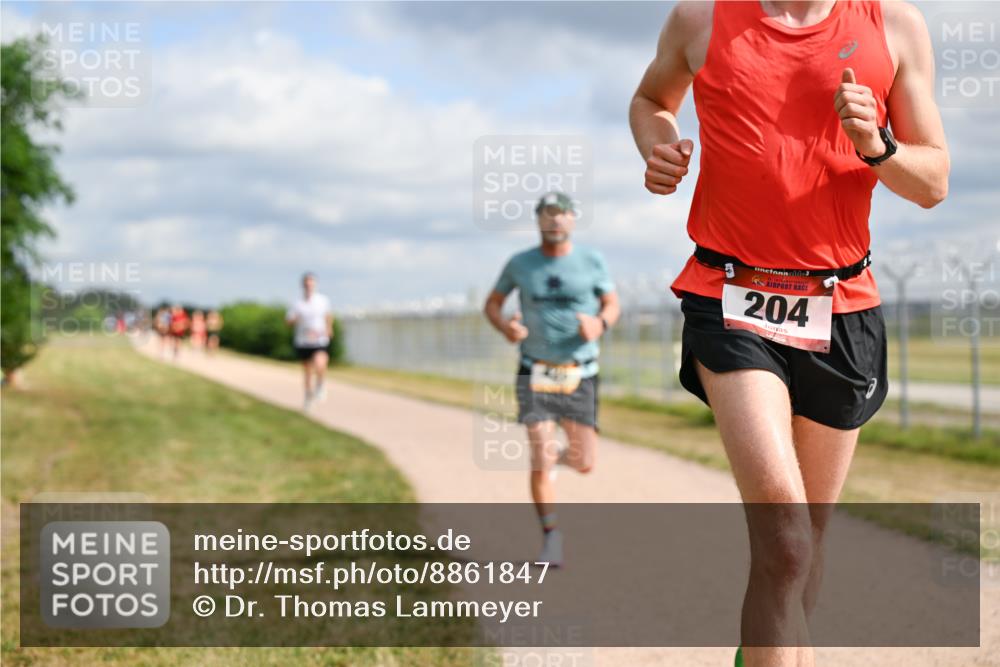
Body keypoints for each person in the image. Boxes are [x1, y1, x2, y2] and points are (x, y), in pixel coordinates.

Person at [629, 1, 948, 665]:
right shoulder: (702, 18)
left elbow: (933, 181)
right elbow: (651, 98)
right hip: (730, 294)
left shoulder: (895, 25)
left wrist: (879, 147)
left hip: (842, 303)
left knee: (806, 545)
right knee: (786, 537)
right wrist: (659, 145)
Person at [484, 191, 620, 567]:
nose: (556, 220)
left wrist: (600, 322)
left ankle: (556, 462)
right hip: (535, 369)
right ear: (538, 219)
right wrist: (506, 327)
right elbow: (491, 304)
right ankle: (551, 537)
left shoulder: (591, 261)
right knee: (541, 455)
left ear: (573, 219)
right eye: (548, 213)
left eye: (562, 213)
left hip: (581, 372)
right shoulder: (520, 263)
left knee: (584, 461)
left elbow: (613, 303)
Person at [286, 272, 334, 411]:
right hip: (303, 341)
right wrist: (295, 319)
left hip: (320, 339)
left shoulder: (323, 300)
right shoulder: (297, 303)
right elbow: (288, 321)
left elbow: (328, 315)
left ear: (315, 284)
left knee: (320, 363)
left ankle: (320, 384)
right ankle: (308, 396)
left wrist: (329, 329)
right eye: (306, 283)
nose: (309, 285)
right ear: (303, 285)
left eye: (311, 282)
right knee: (307, 371)